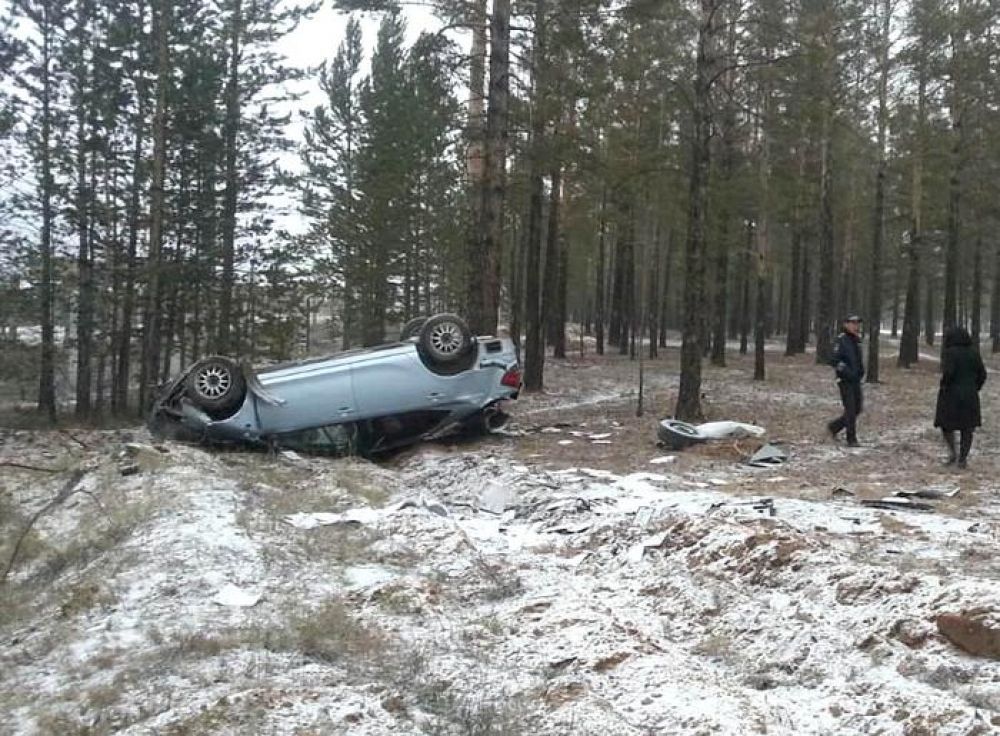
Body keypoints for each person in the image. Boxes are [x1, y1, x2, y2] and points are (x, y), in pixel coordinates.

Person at [934, 325, 986, 468]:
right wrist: (975, 387)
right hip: (970, 395)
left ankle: (953, 453)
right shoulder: (974, 353)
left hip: (951, 395)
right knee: (967, 428)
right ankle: (963, 458)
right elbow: (982, 374)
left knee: (946, 425)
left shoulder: (950, 353)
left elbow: (949, 373)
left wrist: (944, 384)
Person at [827, 315, 865, 447]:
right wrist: (845, 372)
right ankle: (851, 438)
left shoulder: (856, 340)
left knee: (857, 408)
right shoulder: (841, 340)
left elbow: (858, 360)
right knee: (850, 409)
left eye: (858, 323)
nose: (856, 326)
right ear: (846, 324)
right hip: (845, 380)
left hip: (855, 380)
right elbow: (833, 359)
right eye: (853, 323)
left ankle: (834, 427)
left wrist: (860, 372)